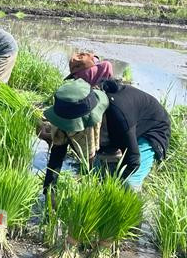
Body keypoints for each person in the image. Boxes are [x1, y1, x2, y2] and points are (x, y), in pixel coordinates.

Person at [42, 78, 171, 194]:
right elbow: (56, 156)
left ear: (89, 118)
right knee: (97, 173)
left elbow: (133, 161)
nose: (70, 130)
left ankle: (135, 215)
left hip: (150, 129)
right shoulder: (66, 111)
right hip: (123, 131)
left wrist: (109, 191)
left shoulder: (119, 115)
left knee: (128, 184)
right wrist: (49, 192)